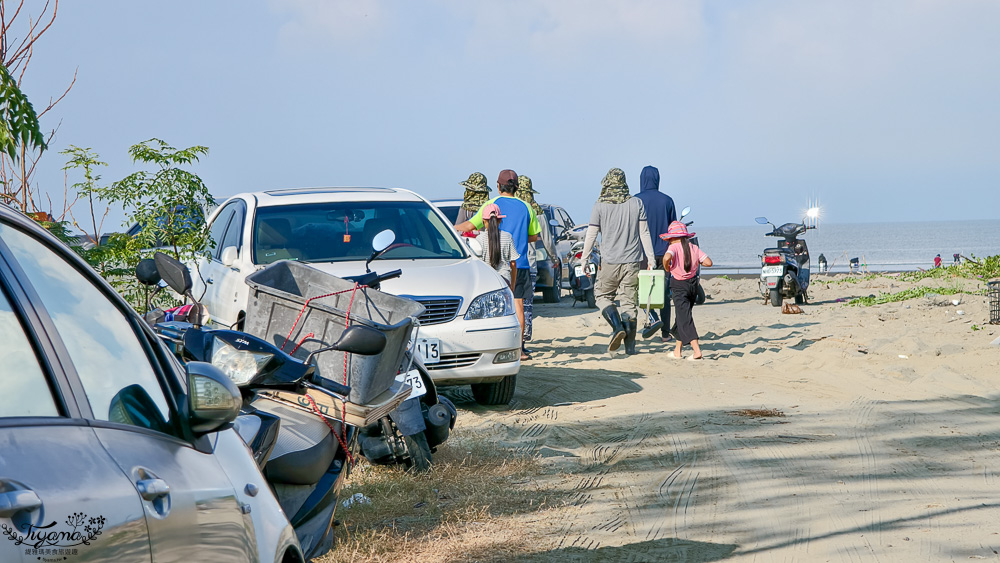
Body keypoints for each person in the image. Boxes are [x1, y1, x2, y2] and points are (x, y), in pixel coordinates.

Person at [456, 169, 541, 360]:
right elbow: (534, 236)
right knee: (519, 307)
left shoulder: (492, 204)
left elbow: (469, 226)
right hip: (520, 264)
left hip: (494, 265)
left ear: (498, 186)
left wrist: (449, 229)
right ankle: (519, 350)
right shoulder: (527, 207)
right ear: (516, 188)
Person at [579, 168, 656, 355]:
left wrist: (584, 258)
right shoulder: (637, 203)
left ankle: (616, 327)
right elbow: (644, 233)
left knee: (602, 296)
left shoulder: (599, 206)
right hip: (633, 262)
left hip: (610, 262)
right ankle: (630, 348)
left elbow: (591, 235)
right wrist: (651, 259)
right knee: (629, 304)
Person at [633, 165, 677, 342]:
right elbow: (674, 230)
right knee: (664, 293)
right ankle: (666, 334)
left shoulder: (635, 201)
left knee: (641, 291)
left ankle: (652, 317)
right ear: (657, 179)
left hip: (642, 254)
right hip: (665, 253)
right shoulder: (667, 200)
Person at [661, 221, 713, 360]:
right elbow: (708, 262)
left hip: (678, 285)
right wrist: (696, 262)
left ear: (672, 237)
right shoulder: (693, 247)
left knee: (685, 318)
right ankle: (677, 351)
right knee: (682, 316)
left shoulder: (674, 247)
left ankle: (697, 351)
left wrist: (667, 267)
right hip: (693, 285)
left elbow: (666, 257)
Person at [516, 174, 542, 356]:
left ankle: (517, 343)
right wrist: (554, 257)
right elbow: (544, 238)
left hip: (514, 262)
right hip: (530, 264)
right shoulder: (535, 210)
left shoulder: (514, 209)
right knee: (527, 306)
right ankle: (523, 343)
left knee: (515, 305)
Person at [474, 203, 519, 287]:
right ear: (500, 220)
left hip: (486, 280)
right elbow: (513, 264)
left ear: (484, 221)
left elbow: (477, 264)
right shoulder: (507, 237)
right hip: (504, 280)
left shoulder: (479, 239)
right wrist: (512, 286)